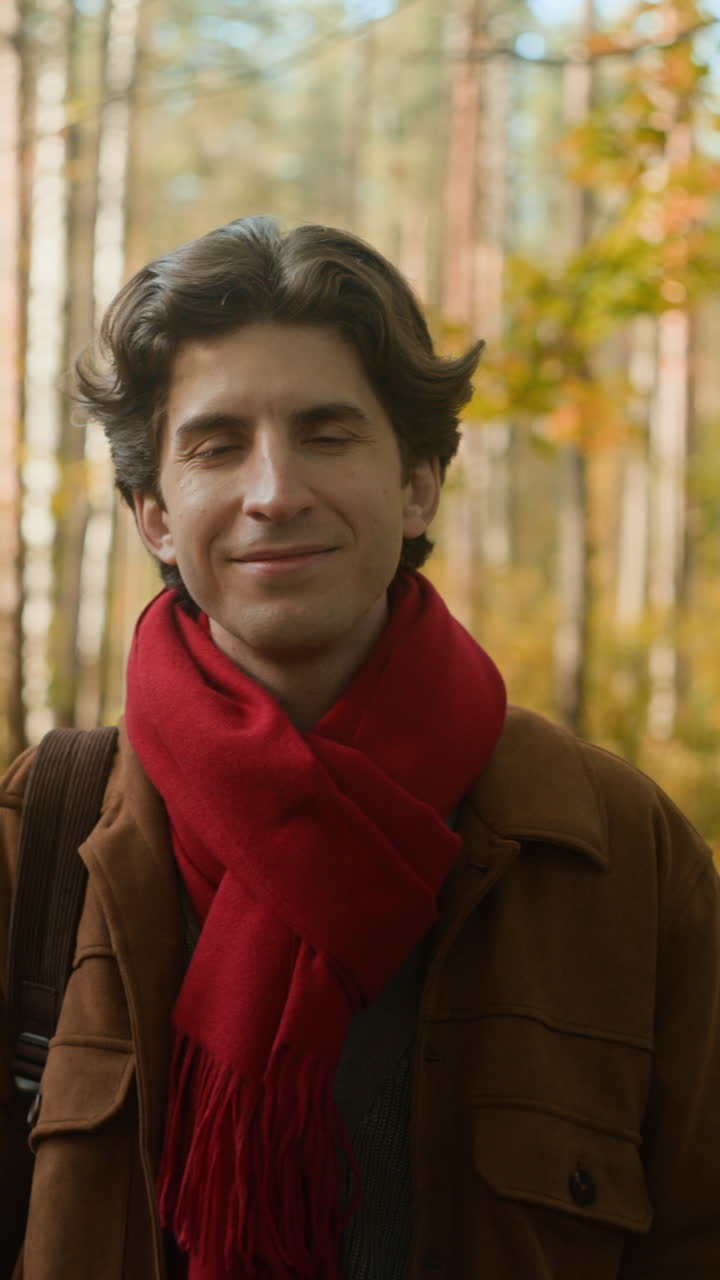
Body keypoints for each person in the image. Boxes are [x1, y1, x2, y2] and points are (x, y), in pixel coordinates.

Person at [1, 216, 719, 1280]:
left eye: (328, 434)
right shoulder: (42, 832)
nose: (275, 490)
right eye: (216, 444)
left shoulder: (618, 847)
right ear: (154, 513)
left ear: (419, 481)